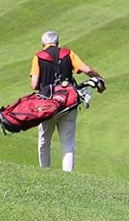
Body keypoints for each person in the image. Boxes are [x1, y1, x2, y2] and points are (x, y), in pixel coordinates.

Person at [30, 30, 105, 173]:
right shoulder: (68, 53)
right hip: (69, 104)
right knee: (68, 143)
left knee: (44, 141)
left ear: (43, 44)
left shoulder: (38, 57)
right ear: (58, 43)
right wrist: (100, 79)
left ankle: (44, 171)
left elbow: (34, 85)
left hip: (47, 106)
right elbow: (86, 69)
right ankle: (67, 175)